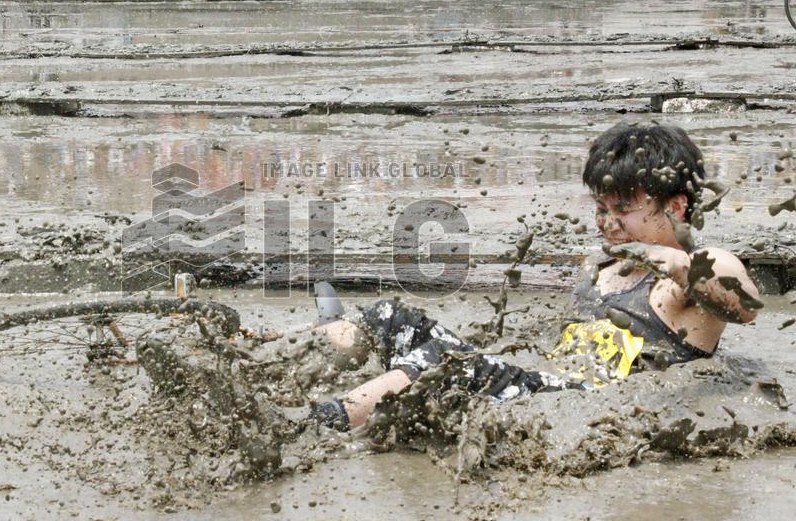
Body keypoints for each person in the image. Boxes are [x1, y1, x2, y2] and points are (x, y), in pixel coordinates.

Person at [306, 123, 761, 432]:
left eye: (624, 209)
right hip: (537, 382)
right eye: (601, 209)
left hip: (580, 407)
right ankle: (276, 357)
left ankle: (318, 425)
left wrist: (669, 259)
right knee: (392, 316)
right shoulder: (601, 268)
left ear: (676, 206)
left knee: (448, 364)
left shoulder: (692, 273)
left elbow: (745, 305)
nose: (608, 223)